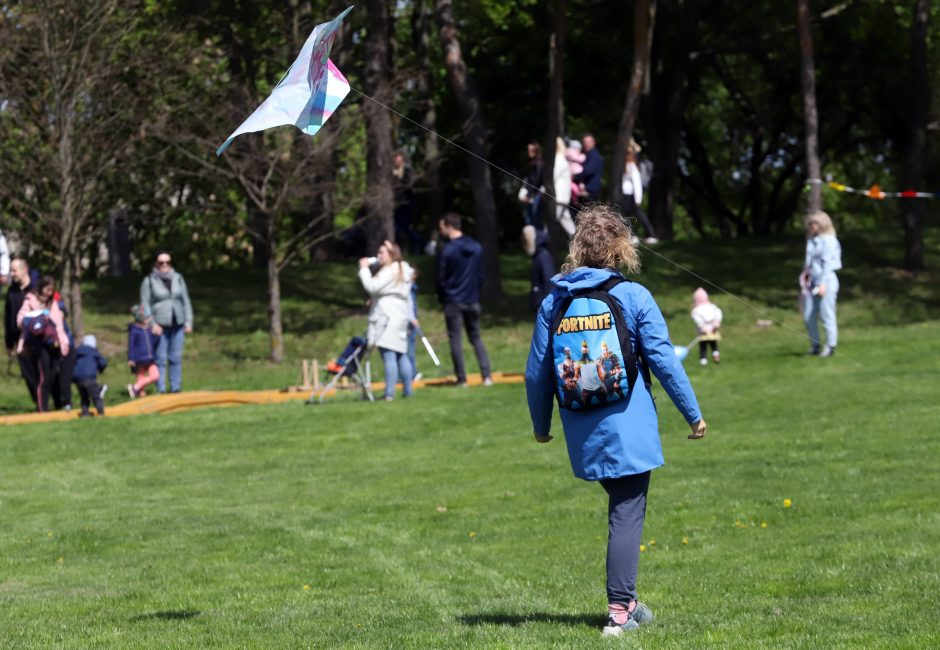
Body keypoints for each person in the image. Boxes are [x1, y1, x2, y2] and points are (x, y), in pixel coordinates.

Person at [524, 204, 707, 636]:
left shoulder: (555, 299)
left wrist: (541, 424)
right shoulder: (633, 296)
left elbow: (537, 371)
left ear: (578, 248)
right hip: (629, 422)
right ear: (620, 249)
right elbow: (664, 361)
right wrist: (694, 414)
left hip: (581, 423)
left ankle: (629, 598)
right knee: (627, 511)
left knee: (622, 506)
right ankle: (619, 612)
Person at [436, 213, 493, 387]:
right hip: (472, 299)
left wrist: (444, 297)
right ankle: (487, 375)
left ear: (449, 226)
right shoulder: (476, 247)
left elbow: (441, 278)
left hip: (454, 300)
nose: (441, 230)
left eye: (442, 227)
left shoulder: (447, 250)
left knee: (456, 340)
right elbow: (481, 274)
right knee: (475, 337)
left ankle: (462, 378)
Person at [359, 240, 414, 401]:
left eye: (382, 252)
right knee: (401, 354)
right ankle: (408, 391)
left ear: (392, 254)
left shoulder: (390, 270)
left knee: (389, 355)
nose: (378, 255)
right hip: (400, 315)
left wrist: (363, 269)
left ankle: (389, 393)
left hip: (387, 317)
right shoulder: (403, 269)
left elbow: (372, 286)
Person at [16, 275, 71, 412]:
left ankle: (59, 404)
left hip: (53, 344)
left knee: (53, 375)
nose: (49, 292)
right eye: (47, 289)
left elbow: (59, 324)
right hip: (38, 344)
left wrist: (63, 342)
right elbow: (20, 319)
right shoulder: (30, 300)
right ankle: (43, 408)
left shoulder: (53, 303)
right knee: (43, 376)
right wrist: (34, 321)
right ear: (41, 288)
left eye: (51, 290)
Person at [140, 251, 193, 393]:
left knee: (175, 357)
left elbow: (185, 301)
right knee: (161, 358)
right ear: (156, 264)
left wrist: (188, 321)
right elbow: (145, 305)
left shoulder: (178, 278)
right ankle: (161, 388)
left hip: (178, 323)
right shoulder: (149, 281)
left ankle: (176, 387)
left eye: (167, 262)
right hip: (160, 325)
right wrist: (152, 323)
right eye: (161, 262)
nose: (164, 265)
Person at [800, 211, 842, 357]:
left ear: (822, 224)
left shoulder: (829, 241)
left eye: (813, 223)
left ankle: (830, 346)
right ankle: (815, 344)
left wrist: (823, 284)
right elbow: (810, 263)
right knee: (808, 316)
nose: (810, 226)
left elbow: (828, 264)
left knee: (827, 315)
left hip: (827, 282)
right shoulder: (812, 240)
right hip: (813, 282)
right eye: (810, 223)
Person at [620, 142, 657, 242]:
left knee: (638, 214)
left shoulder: (632, 166)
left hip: (632, 194)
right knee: (626, 215)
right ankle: (631, 235)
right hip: (627, 193)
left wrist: (638, 198)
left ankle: (652, 235)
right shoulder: (627, 166)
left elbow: (637, 183)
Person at [127, 304, 159, 398]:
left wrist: (157, 335)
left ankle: (135, 387)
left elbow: (154, 343)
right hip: (139, 359)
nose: (149, 320)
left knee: (155, 376)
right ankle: (140, 394)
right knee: (140, 377)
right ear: (141, 318)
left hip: (150, 358)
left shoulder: (149, 329)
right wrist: (131, 358)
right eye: (148, 318)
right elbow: (131, 346)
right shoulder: (134, 331)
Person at [521, 225, 555, 311]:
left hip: (543, 305)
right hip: (540, 303)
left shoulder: (543, 256)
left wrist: (544, 304)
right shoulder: (538, 256)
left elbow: (548, 281)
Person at [73, 334, 108, 417]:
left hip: (77, 377)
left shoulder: (78, 351)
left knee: (84, 396)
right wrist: (100, 370)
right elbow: (103, 362)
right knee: (95, 395)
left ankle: (85, 412)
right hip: (89, 377)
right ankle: (100, 412)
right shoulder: (93, 352)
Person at [392, 151, 419, 253]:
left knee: (406, 228)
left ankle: (418, 247)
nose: (396, 161)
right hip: (398, 204)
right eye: (395, 159)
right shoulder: (393, 172)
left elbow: (410, 184)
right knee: (398, 228)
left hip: (407, 203)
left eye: (398, 158)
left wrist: (400, 178)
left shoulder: (407, 170)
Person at [690, 287, 722, 366]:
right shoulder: (713, 307)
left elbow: (697, 319)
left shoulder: (696, 310)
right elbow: (718, 314)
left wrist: (702, 328)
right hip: (713, 329)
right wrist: (716, 325)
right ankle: (715, 355)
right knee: (713, 344)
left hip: (703, 331)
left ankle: (703, 360)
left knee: (703, 346)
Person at [552, 137, 576, 238]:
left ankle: (543, 244)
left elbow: (553, 176)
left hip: (558, 197)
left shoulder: (558, 159)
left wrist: (543, 190)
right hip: (563, 197)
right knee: (567, 222)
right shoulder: (563, 159)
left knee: (551, 222)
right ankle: (580, 243)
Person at [518, 142, 544, 229]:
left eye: (531, 150)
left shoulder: (539, 164)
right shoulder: (531, 163)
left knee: (535, 219)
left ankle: (538, 241)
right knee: (529, 220)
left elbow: (537, 181)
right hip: (531, 194)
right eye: (528, 150)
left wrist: (528, 195)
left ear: (536, 151)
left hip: (535, 195)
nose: (529, 152)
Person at [574, 133, 604, 203]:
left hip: (588, 193)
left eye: (589, 142)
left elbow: (588, 171)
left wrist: (575, 177)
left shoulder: (594, 156)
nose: (586, 144)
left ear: (594, 143)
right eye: (585, 142)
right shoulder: (585, 155)